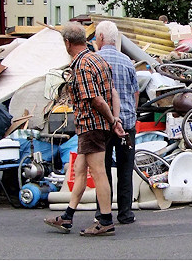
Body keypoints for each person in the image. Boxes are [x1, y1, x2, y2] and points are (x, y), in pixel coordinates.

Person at [44, 23, 125, 237]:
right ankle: (68, 216)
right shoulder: (99, 59)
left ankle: (105, 220)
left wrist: (111, 119)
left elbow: (96, 100)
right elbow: (113, 93)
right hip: (96, 126)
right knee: (79, 169)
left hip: (91, 125)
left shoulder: (81, 65)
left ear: (67, 43)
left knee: (99, 173)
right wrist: (114, 119)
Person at [93, 21, 139, 226]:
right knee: (125, 168)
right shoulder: (127, 61)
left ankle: (103, 211)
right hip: (126, 124)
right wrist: (131, 112)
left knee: (101, 170)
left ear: (101, 37)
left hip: (102, 125)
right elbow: (135, 92)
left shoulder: (94, 61)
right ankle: (125, 213)